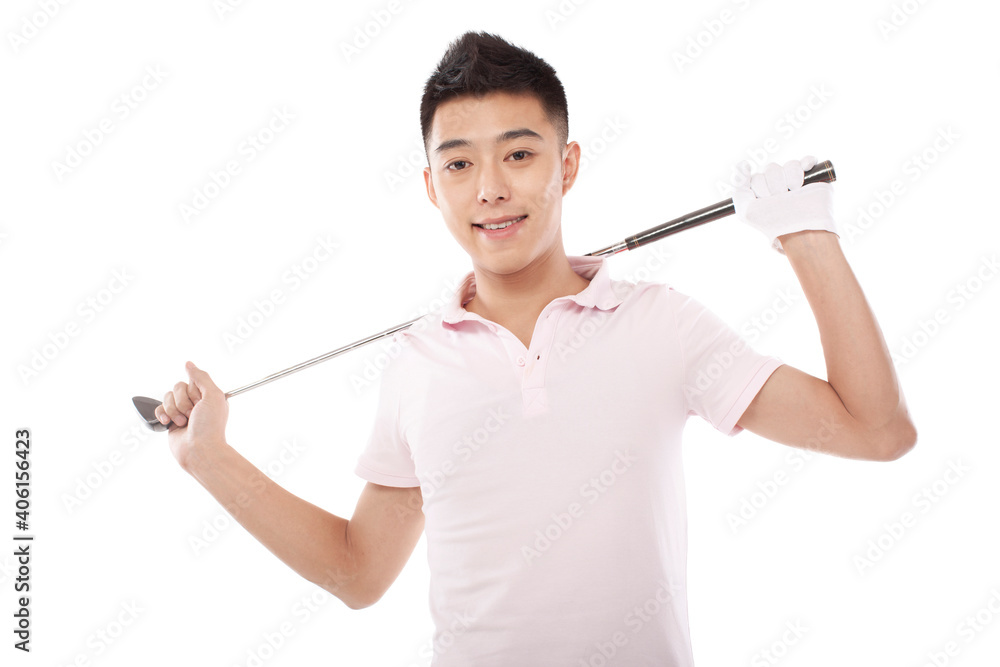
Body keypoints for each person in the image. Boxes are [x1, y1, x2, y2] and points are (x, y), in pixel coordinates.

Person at [155, 31, 916, 666]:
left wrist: (808, 238)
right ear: (430, 186)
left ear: (568, 164)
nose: (489, 188)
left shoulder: (661, 323)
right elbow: (358, 572)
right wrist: (210, 459)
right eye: (459, 164)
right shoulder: (417, 364)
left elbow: (875, 430)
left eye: (518, 155)